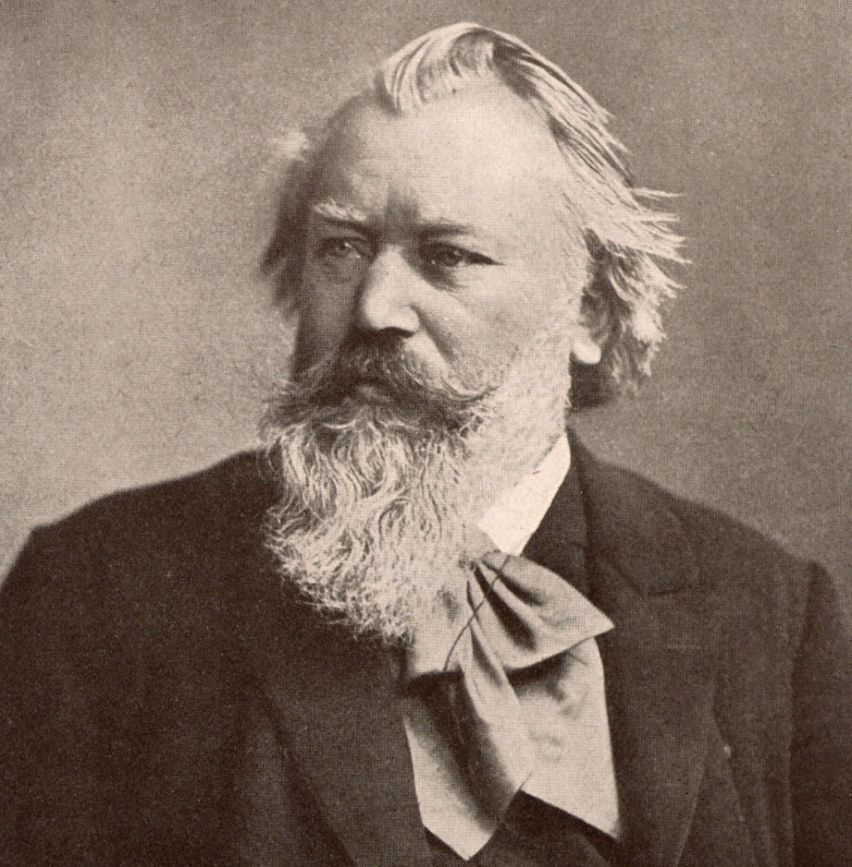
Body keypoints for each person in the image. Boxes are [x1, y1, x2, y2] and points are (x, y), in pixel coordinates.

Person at [0, 22, 848, 867]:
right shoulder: (93, 594)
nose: (374, 308)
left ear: (589, 311)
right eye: (342, 247)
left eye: (447, 256)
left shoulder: (773, 616)